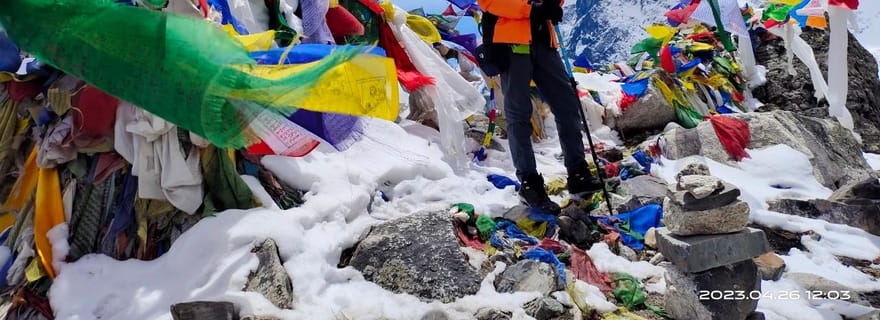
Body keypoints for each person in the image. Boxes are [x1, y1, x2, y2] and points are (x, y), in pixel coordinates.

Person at [477, 0, 602, 214]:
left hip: (543, 39)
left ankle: (578, 174)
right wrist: (532, 9)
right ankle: (530, 183)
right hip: (510, 42)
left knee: (567, 104)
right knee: (519, 114)